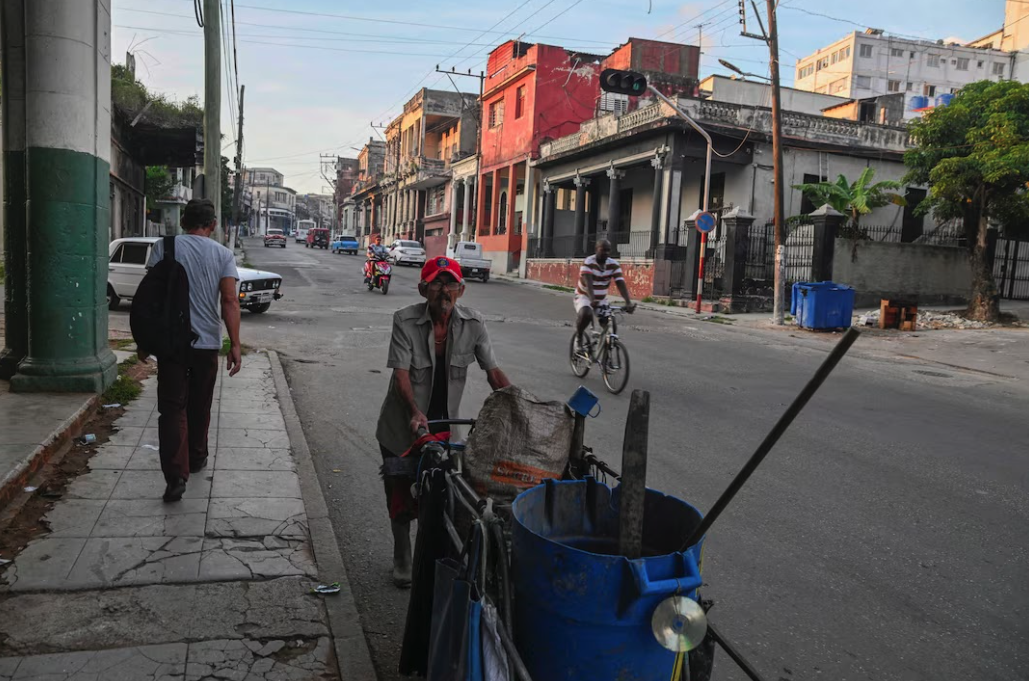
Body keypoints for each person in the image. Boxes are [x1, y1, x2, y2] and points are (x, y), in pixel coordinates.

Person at [375, 256, 511, 587]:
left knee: (445, 495)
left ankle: (434, 553)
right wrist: (414, 413)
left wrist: (518, 405)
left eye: (450, 283)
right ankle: (402, 555)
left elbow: (493, 373)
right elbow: (401, 375)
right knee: (400, 493)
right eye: (437, 283)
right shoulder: (404, 321)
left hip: (447, 429)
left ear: (461, 290)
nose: (444, 291)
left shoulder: (474, 324)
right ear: (423, 289)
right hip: (402, 424)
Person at [142, 199, 242, 503]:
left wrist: (143, 341)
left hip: (172, 345)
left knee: (172, 409)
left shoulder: (164, 247)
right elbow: (229, 301)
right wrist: (235, 344)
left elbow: (149, 297)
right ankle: (197, 457)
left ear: (183, 222)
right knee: (199, 405)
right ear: (212, 225)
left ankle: (175, 476)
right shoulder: (223, 254)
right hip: (206, 344)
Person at [574, 239, 635, 352]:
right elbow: (588, 283)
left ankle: (606, 358)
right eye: (603, 250)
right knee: (586, 314)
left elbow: (620, 283)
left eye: (608, 250)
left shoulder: (613, 264)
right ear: (596, 249)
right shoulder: (588, 262)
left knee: (611, 325)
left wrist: (628, 302)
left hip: (601, 299)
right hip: (585, 296)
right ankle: (579, 338)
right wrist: (592, 300)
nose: (606, 253)